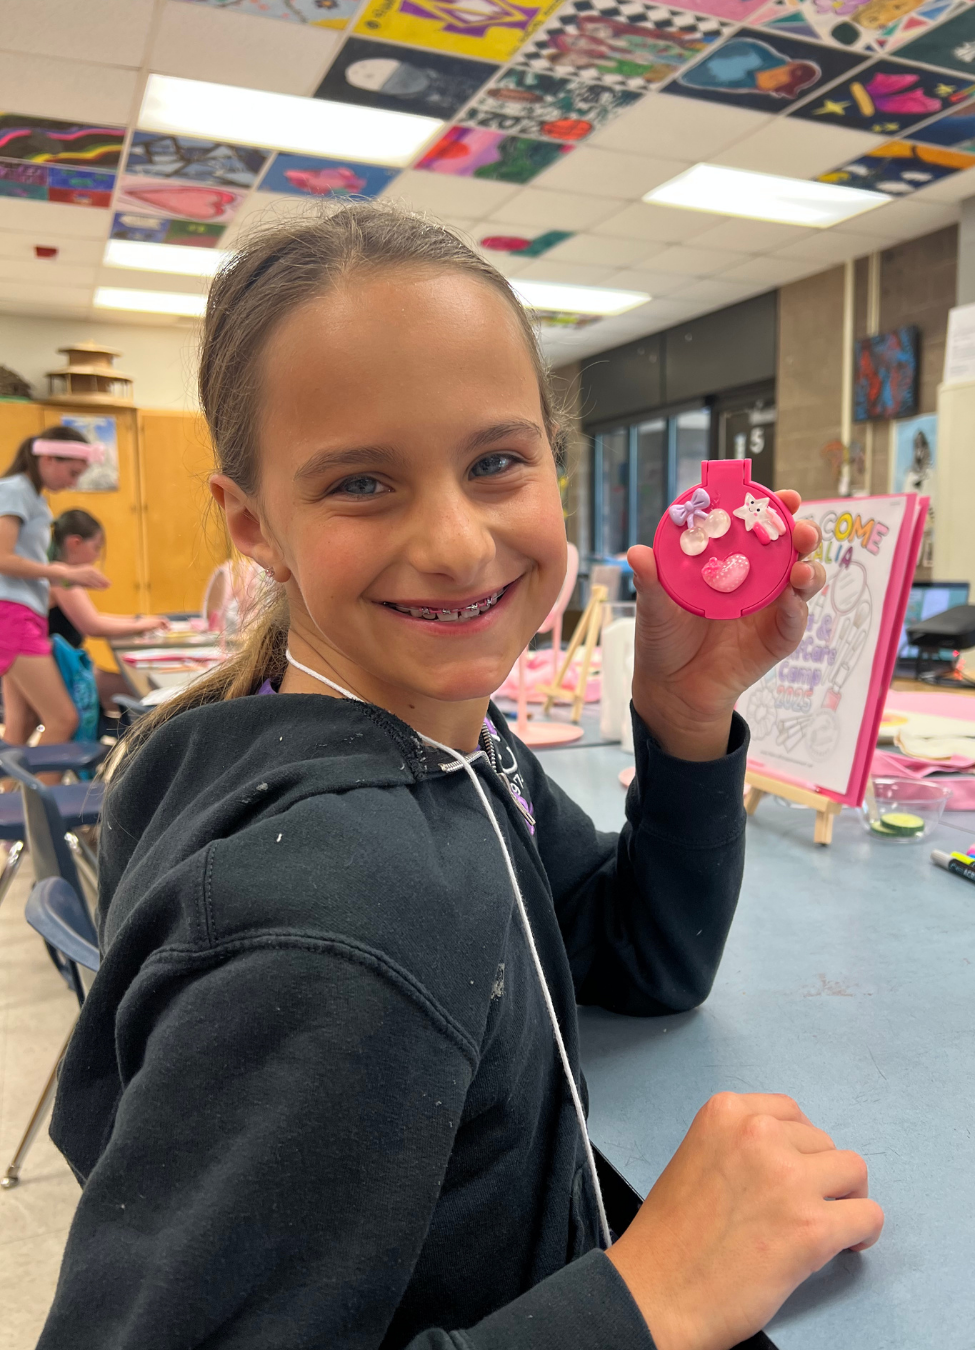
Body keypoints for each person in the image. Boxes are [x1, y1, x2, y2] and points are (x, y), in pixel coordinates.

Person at [41, 204, 883, 1350]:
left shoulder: (441, 739)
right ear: (254, 524)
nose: (454, 542)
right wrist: (645, 1300)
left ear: (550, 458)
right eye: (361, 484)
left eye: (495, 462)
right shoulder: (337, 912)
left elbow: (632, 953)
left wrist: (685, 720)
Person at [0, 426, 109, 757]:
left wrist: (65, 578)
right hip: (13, 615)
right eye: (72, 472)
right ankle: (38, 808)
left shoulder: (31, 496)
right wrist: (61, 570)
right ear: (47, 458)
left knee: (24, 719)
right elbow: (3, 558)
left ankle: (9, 804)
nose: (73, 482)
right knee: (63, 719)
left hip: (23, 614)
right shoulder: (15, 490)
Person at [47, 508, 166, 714]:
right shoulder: (63, 577)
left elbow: (94, 616)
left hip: (65, 666)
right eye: (96, 547)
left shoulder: (59, 573)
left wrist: (136, 620)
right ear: (75, 543)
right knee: (150, 691)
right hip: (63, 671)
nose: (97, 556)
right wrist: (142, 624)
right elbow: (93, 625)